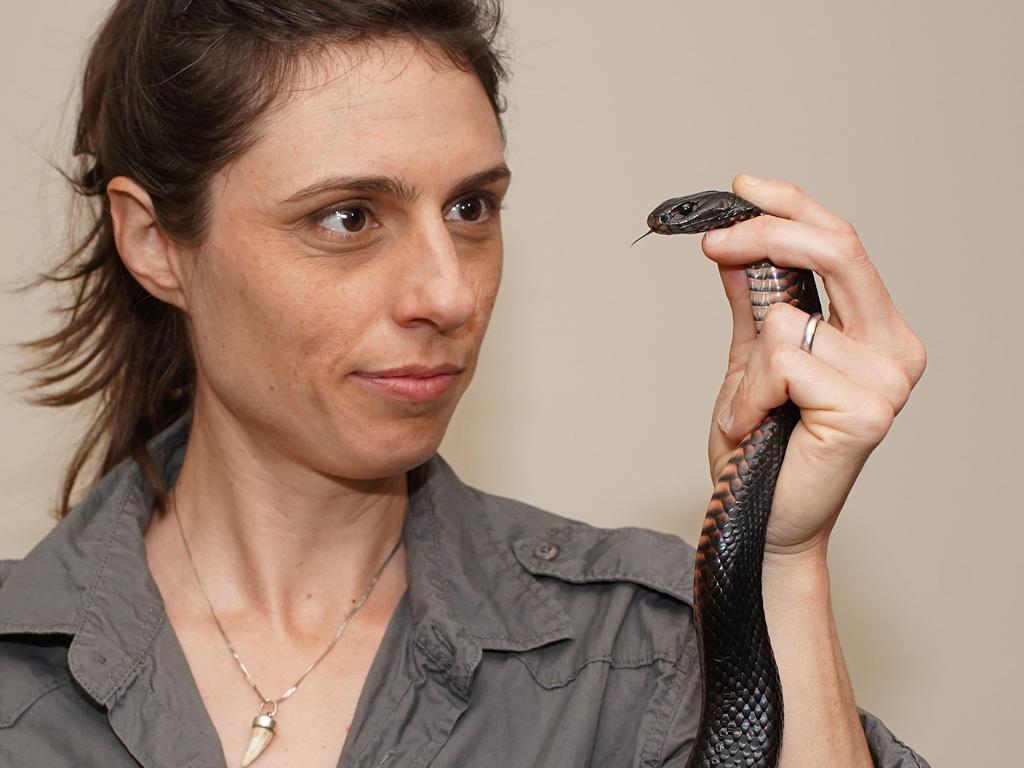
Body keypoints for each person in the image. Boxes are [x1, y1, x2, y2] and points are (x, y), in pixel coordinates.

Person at [0, 1, 930, 766]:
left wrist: (774, 561)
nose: (449, 293)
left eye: (471, 207)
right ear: (155, 241)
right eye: (348, 216)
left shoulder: (643, 656)